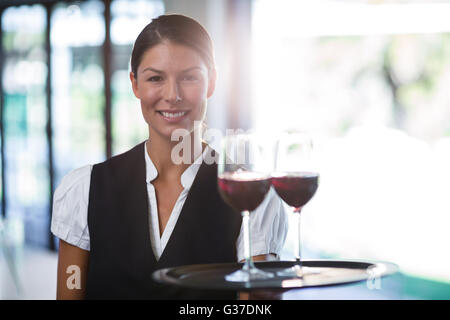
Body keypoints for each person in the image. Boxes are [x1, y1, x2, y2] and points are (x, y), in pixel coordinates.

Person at [51, 14, 288, 300]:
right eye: (155, 78)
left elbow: (257, 305)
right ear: (135, 84)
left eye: (189, 77)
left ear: (211, 82)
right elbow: (70, 292)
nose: (172, 95)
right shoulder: (84, 190)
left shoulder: (254, 199)